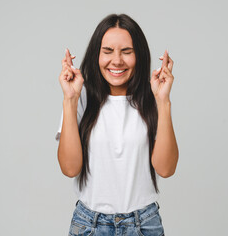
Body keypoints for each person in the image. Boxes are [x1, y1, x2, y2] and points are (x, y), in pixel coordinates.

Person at [55, 14, 178, 236]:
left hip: (144, 223)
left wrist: (164, 102)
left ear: (138, 55)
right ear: (96, 55)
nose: (117, 60)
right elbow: (70, 168)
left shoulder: (153, 99)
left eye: (127, 51)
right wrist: (69, 100)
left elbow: (166, 169)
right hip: (89, 223)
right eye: (108, 51)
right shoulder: (79, 97)